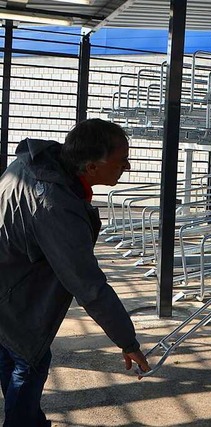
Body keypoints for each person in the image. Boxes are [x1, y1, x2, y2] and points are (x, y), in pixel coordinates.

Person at [0, 118, 151, 426]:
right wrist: (128, 341)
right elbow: (88, 285)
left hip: (9, 281)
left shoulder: (34, 164)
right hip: (14, 294)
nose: (128, 167)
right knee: (29, 362)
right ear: (92, 167)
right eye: (122, 162)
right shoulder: (56, 206)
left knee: (12, 352)